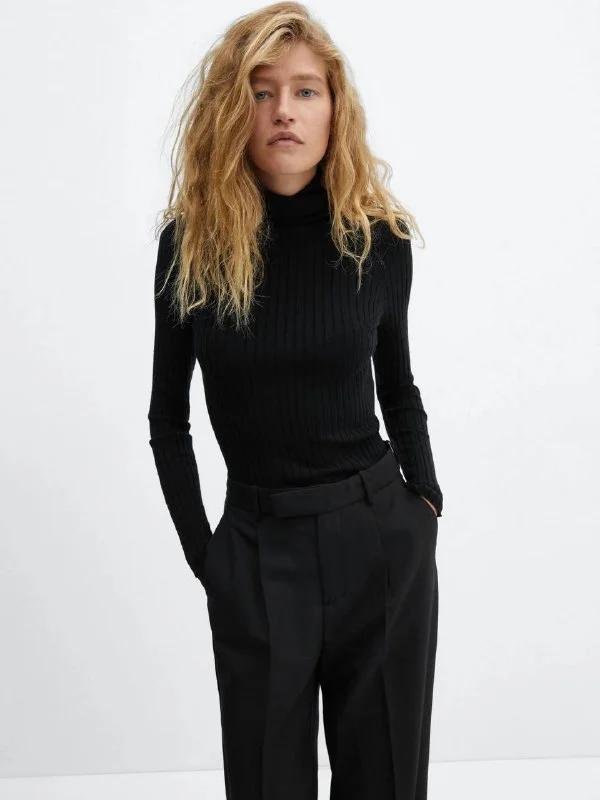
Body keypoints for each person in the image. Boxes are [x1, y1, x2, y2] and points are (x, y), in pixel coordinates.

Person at [148, 3, 443, 798]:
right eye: (262, 90)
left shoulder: (379, 241)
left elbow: (399, 386)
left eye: (306, 90)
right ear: (230, 110)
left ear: (334, 108)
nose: (285, 110)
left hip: (378, 541)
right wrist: (209, 558)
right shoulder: (191, 247)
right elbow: (168, 419)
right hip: (257, 549)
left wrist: (424, 502)